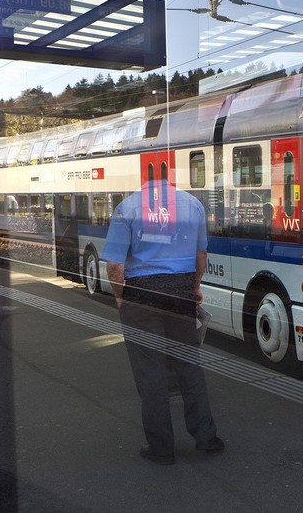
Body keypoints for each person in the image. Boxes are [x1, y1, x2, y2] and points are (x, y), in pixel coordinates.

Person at [102, 179, 224, 465]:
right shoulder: (193, 205)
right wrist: (193, 288)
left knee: (151, 372)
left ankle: (161, 448)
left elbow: (115, 266)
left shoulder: (127, 207)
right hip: (180, 294)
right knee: (189, 367)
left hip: (141, 297)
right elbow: (201, 255)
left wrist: (121, 299)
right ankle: (206, 438)